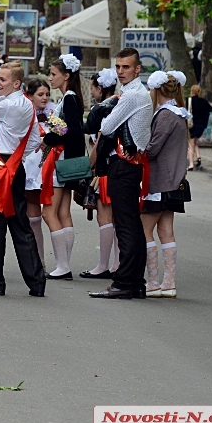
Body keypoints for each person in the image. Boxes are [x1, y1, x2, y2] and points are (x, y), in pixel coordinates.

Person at [0, 62, 45, 297]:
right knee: (21, 225)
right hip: (16, 166)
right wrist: (17, 155)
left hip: (0, 168)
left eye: (3, 80)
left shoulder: (8, 104)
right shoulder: (27, 104)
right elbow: (35, 140)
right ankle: (36, 282)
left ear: (16, 83)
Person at [89, 47, 153, 299]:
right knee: (131, 224)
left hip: (124, 165)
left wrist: (111, 105)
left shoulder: (131, 96)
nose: (121, 71)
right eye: (118, 67)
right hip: (130, 164)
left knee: (125, 224)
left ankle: (125, 281)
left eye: (126, 67)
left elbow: (106, 126)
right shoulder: (137, 93)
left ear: (138, 69)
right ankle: (134, 280)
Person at [141, 71, 190, 298]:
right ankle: (168, 282)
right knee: (166, 231)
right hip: (176, 181)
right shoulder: (179, 114)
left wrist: (138, 153)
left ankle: (152, 282)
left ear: (156, 89)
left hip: (160, 181)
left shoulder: (164, 115)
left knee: (145, 229)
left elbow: (153, 148)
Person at [40, 54, 86, 281]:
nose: (50, 78)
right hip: (67, 161)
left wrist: (50, 137)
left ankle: (63, 265)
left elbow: (73, 132)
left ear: (66, 76)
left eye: (54, 74)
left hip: (61, 161)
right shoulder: (71, 97)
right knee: (63, 213)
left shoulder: (68, 98)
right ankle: (63, 263)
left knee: (49, 213)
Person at [80, 69, 121, 279]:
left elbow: (98, 141)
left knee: (104, 217)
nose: (92, 93)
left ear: (100, 88)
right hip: (122, 165)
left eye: (93, 88)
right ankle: (116, 263)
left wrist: (88, 165)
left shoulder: (101, 109)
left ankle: (103, 265)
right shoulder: (122, 103)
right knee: (116, 218)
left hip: (105, 169)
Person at [22, 78, 55, 270]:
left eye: (47, 94)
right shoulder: (26, 112)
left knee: (47, 211)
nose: (44, 98)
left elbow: (62, 132)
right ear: (31, 95)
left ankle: (41, 261)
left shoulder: (53, 111)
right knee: (31, 212)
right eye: (40, 94)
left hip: (47, 165)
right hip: (29, 163)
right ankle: (35, 261)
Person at [187, 84, 212, 170]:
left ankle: (191, 164)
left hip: (192, 125)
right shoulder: (204, 101)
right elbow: (211, 109)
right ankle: (198, 157)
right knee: (194, 142)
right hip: (202, 126)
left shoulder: (190, 101)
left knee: (190, 145)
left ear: (192, 92)